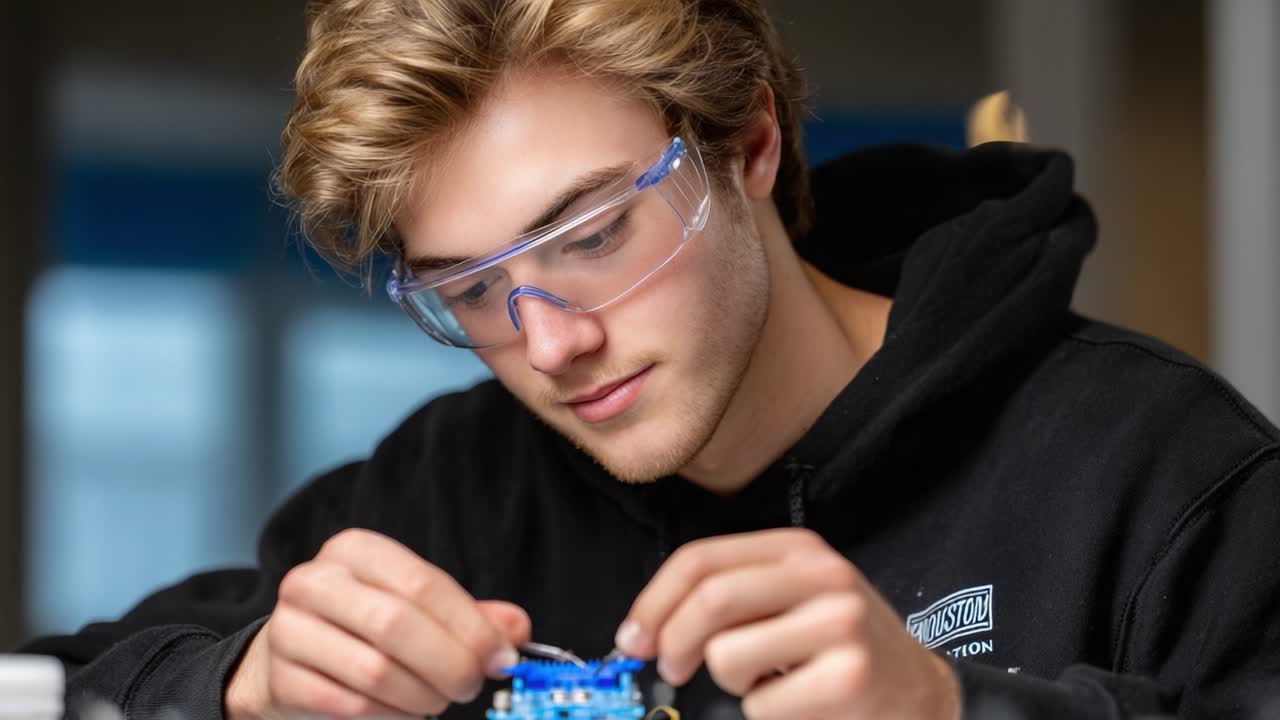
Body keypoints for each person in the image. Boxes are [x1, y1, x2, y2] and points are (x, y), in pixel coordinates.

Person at [20, 0, 1280, 718]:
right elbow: (53, 688)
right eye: (468, 288)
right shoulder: (443, 492)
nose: (549, 343)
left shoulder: (1161, 472)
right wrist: (237, 687)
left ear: (746, 150)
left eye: (592, 233)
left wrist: (958, 712)